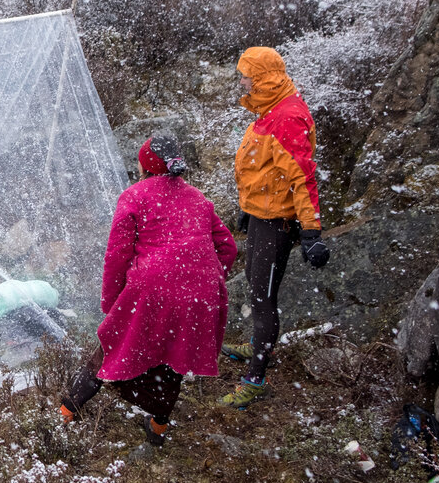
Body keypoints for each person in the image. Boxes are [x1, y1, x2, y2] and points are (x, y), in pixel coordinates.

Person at [60, 134, 237, 448]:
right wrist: (203, 280)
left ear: (145, 167)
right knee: (173, 360)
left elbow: (117, 256)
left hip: (152, 288)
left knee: (109, 348)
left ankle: (65, 412)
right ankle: (157, 427)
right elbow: (228, 248)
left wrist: (112, 302)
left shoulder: (135, 195)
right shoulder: (198, 198)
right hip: (199, 295)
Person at [218, 46, 329, 410]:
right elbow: (264, 169)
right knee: (254, 284)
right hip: (263, 217)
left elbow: (303, 177)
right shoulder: (269, 109)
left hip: (278, 223)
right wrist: (249, 208)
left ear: (262, 78)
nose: (241, 81)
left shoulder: (287, 116)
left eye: (246, 76)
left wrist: (311, 232)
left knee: (264, 300)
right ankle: (257, 345)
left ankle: (255, 378)